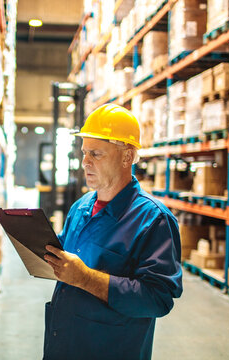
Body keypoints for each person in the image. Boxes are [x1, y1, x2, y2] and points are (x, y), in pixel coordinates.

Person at [43, 104, 183, 360]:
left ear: (127, 157)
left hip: (111, 348)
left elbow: (158, 298)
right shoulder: (80, 207)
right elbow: (63, 255)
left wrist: (85, 278)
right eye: (84, 152)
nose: (85, 162)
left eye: (96, 154)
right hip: (63, 342)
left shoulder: (153, 220)